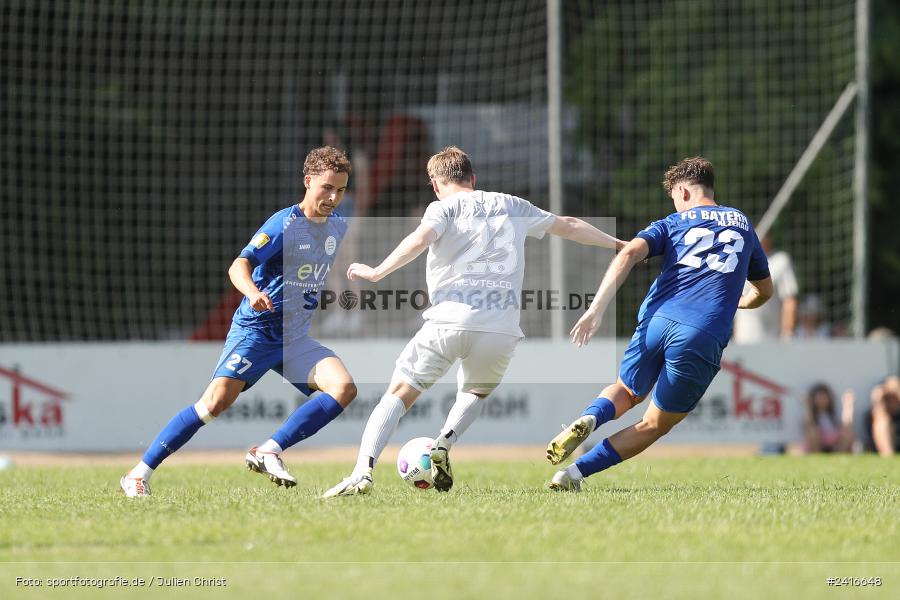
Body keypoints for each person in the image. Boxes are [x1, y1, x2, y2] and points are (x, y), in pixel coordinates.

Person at [323, 146, 624, 497]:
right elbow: (569, 226)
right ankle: (444, 443)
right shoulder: (512, 204)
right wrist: (620, 243)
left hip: (448, 320)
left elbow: (420, 239)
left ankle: (363, 472)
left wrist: (377, 271)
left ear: (435, 183)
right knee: (476, 391)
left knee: (399, 394)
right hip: (501, 326)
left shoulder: (442, 207)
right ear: (473, 178)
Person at [120, 147, 357, 497]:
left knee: (344, 389)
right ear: (308, 182)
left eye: (340, 189)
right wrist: (252, 292)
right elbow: (238, 265)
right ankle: (138, 474)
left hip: (293, 338)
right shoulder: (283, 224)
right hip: (257, 331)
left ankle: (269, 450)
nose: (333, 197)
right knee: (213, 405)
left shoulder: (337, 225)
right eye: (326, 188)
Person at [546, 156, 773, 491]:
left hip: (658, 319)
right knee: (653, 424)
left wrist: (595, 309)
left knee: (625, 389)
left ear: (682, 192)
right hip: (702, 332)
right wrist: (740, 300)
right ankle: (572, 475)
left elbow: (627, 254)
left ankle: (591, 417)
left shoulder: (671, 223)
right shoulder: (741, 223)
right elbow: (764, 291)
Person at [732, 235, 798, 343]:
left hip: (771, 339)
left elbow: (789, 300)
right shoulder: (737, 259)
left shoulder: (780, 261)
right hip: (741, 339)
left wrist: (787, 333)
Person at [802, 383, 855, 453]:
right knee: (813, 432)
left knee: (848, 433)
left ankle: (839, 456)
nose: (822, 400)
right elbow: (809, 425)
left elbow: (847, 423)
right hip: (819, 442)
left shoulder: (834, 412)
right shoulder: (812, 415)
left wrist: (848, 405)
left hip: (835, 442)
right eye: (819, 397)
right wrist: (807, 406)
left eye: (824, 397)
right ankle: (817, 456)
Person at [865, 375, 900, 456]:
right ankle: (888, 455)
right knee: (882, 422)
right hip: (887, 446)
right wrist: (880, 396)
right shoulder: (877, 416)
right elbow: (877, 407)